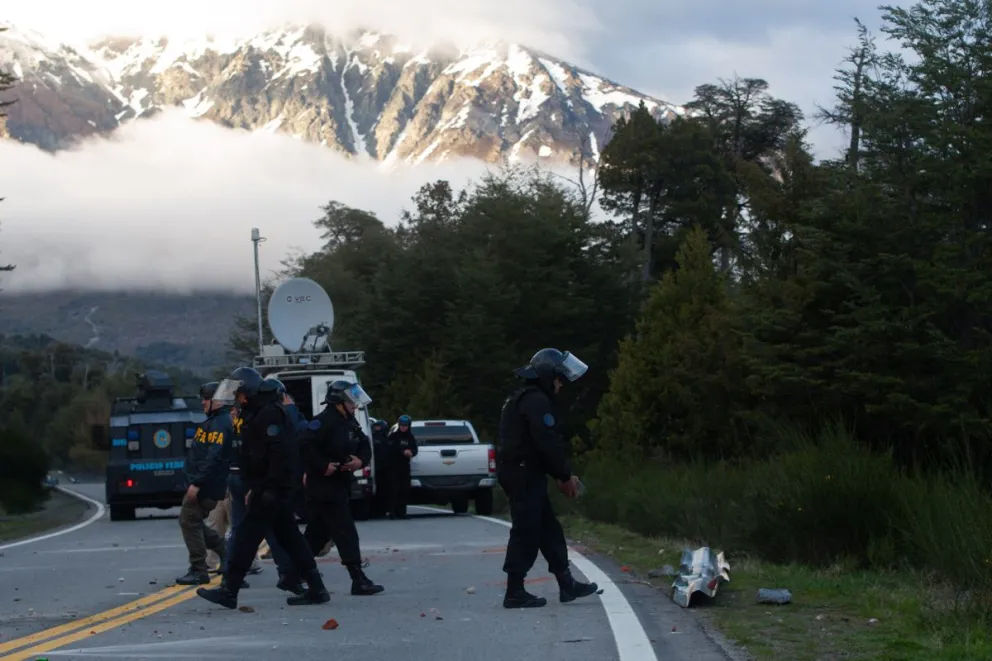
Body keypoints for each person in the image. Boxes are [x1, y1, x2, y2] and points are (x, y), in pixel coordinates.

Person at [196, 367, 329, 609]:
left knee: (245, 539)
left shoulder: (269, 415)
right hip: (266, 489)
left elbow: (280, 456)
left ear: (247, 392)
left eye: (239, 393)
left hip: (271, 491)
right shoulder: (256, 413)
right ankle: (316, 587)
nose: (236, 398)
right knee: (291, 539)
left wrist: (266, 490)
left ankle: (229, 590)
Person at [497, 348, 599, 609]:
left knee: (548, 529)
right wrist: (564, 475)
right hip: (523, 472)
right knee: (526, 530)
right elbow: (547, 443)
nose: (560, 385)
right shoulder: (536, 401)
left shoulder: (524, 398)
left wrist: (556, 473)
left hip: (523, 470)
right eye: (558, 379)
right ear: (547, 375)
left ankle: (566, 583)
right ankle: (514, 591)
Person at [298, 380, 384, 596]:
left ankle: (293, 574)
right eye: (350, 402)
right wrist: (322, 466)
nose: (355, 405)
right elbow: (303, 447)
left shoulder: (350, 422)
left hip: (341, 484)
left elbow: (364, 445)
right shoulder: (323, 422)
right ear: (339, 402)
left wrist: (359, 462)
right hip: (324, 487)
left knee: (316, 535)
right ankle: (358, 579)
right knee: (345, 532)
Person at [175, 382, 232, 585]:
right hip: (203, 483)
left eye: (207, 399)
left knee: (189, 521)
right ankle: (225, 552)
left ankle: (199, 569)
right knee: (193, 522)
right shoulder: (215, 421)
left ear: (217, 401)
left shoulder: (220, 424)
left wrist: (197, 483)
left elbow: (213, 458)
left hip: (206, 485)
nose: (203, 402)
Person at [385, 414, 417, 519]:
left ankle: (402, 513)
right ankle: (392, 512)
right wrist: (402, 452)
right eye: (402, 425)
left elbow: (415, 449)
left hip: (404, 467)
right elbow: (389, 450)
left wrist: (411, 452)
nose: (403, 427)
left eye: (406, 425)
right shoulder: (393, 436)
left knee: (404, 490)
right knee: (393, 490)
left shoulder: (410, 437)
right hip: (393, 467)